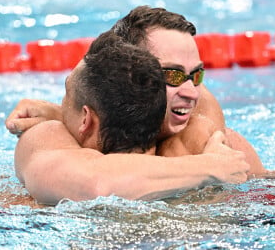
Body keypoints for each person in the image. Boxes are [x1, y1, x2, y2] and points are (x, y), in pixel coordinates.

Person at [6, 6, 266, 175]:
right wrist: (61, 112)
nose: (192, 93)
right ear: (130, 69)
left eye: (196, 75)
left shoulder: (202, 124)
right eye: (173, 75)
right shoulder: (60, 138)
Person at [15, 30, 250, 205]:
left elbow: (97, 185)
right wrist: (213, 166)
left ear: (86, 118)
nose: (189, 92)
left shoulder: (47, 137)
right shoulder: (219, 155)